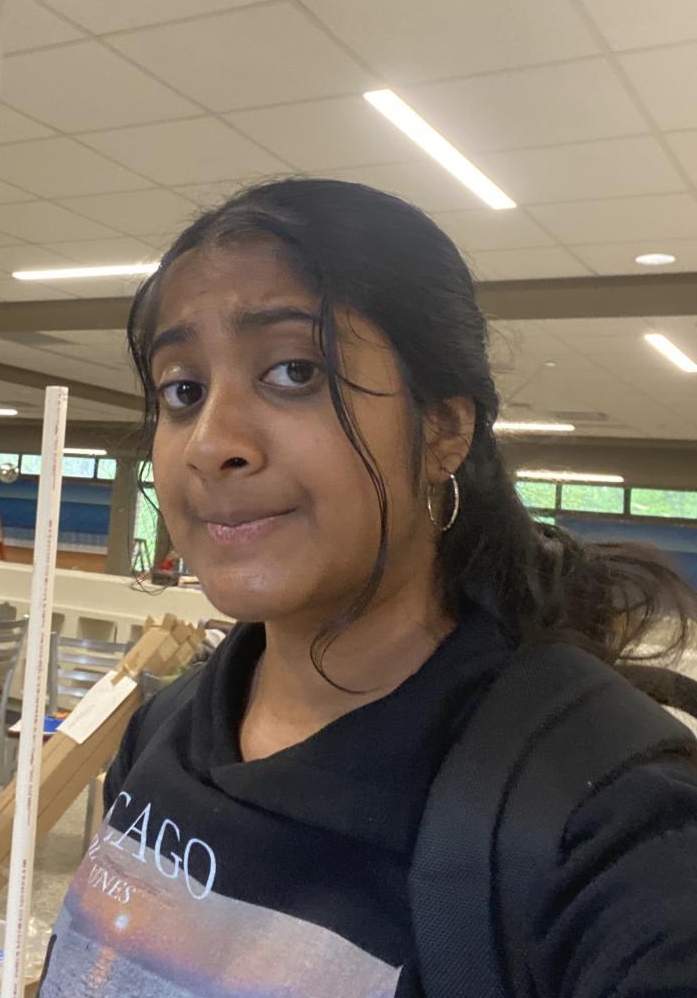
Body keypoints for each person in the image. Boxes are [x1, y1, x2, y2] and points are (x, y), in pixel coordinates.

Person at [38, 178, 697, 997]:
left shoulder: (613, 830)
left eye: (293, 371)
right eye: (184, 390)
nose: (210, 443)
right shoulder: (166, 729)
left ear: (444, 428)